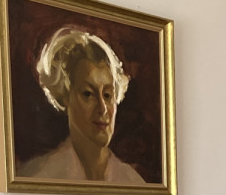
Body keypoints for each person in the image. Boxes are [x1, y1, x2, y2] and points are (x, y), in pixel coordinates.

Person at [19, 27, 145, 183]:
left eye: (107, 95)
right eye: (88, 94)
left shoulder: (133, 181)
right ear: (65, 96)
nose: (102, 109)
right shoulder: (39, 176)